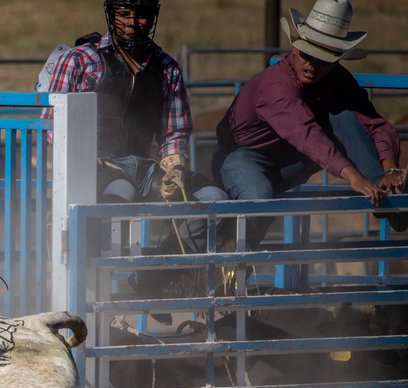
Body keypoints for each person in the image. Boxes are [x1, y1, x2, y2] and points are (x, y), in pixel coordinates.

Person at [44, 0, 226, 257]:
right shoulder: (80, 60)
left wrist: (174, 162)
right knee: (122, 194)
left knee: (214, 197)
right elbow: (52, 122)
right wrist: (80, 152)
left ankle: (163, 272)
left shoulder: (166, 68)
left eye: (141, 15)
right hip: (97, 168)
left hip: (146, 167)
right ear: (112, 15)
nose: (132, 23)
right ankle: (92, 277)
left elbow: (174, 131)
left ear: (152, 18)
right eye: (124, 14)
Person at [214, 0, 405, 240]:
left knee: (345, 115)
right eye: (307, 55)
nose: (312, 65)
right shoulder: (275, 85)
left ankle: (389, 195)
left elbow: (375, 124)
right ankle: (228, 254)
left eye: (323, 60)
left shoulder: (338, 80)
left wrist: (390, 168)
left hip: (291, 159)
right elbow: (306, 134)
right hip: (243, 157)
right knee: (257, 196)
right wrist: (354, 177)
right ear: (296, 48)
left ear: (336, 60)